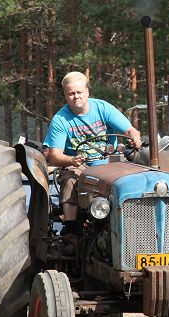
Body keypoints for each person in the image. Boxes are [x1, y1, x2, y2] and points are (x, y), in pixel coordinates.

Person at [43, 71, 142, 235]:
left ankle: (134, 223)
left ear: (87, 92)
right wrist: (71, 160)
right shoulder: (60, 120)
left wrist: (134, 138)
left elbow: (130, 130)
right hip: (80, 165)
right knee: (70, 179)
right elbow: (55, 155)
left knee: (133, 179)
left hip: (110, 163)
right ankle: (71, 229)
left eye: (79, 92)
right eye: (71, 93)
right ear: (66, 96)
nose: (76, 97)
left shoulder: (103, 109)